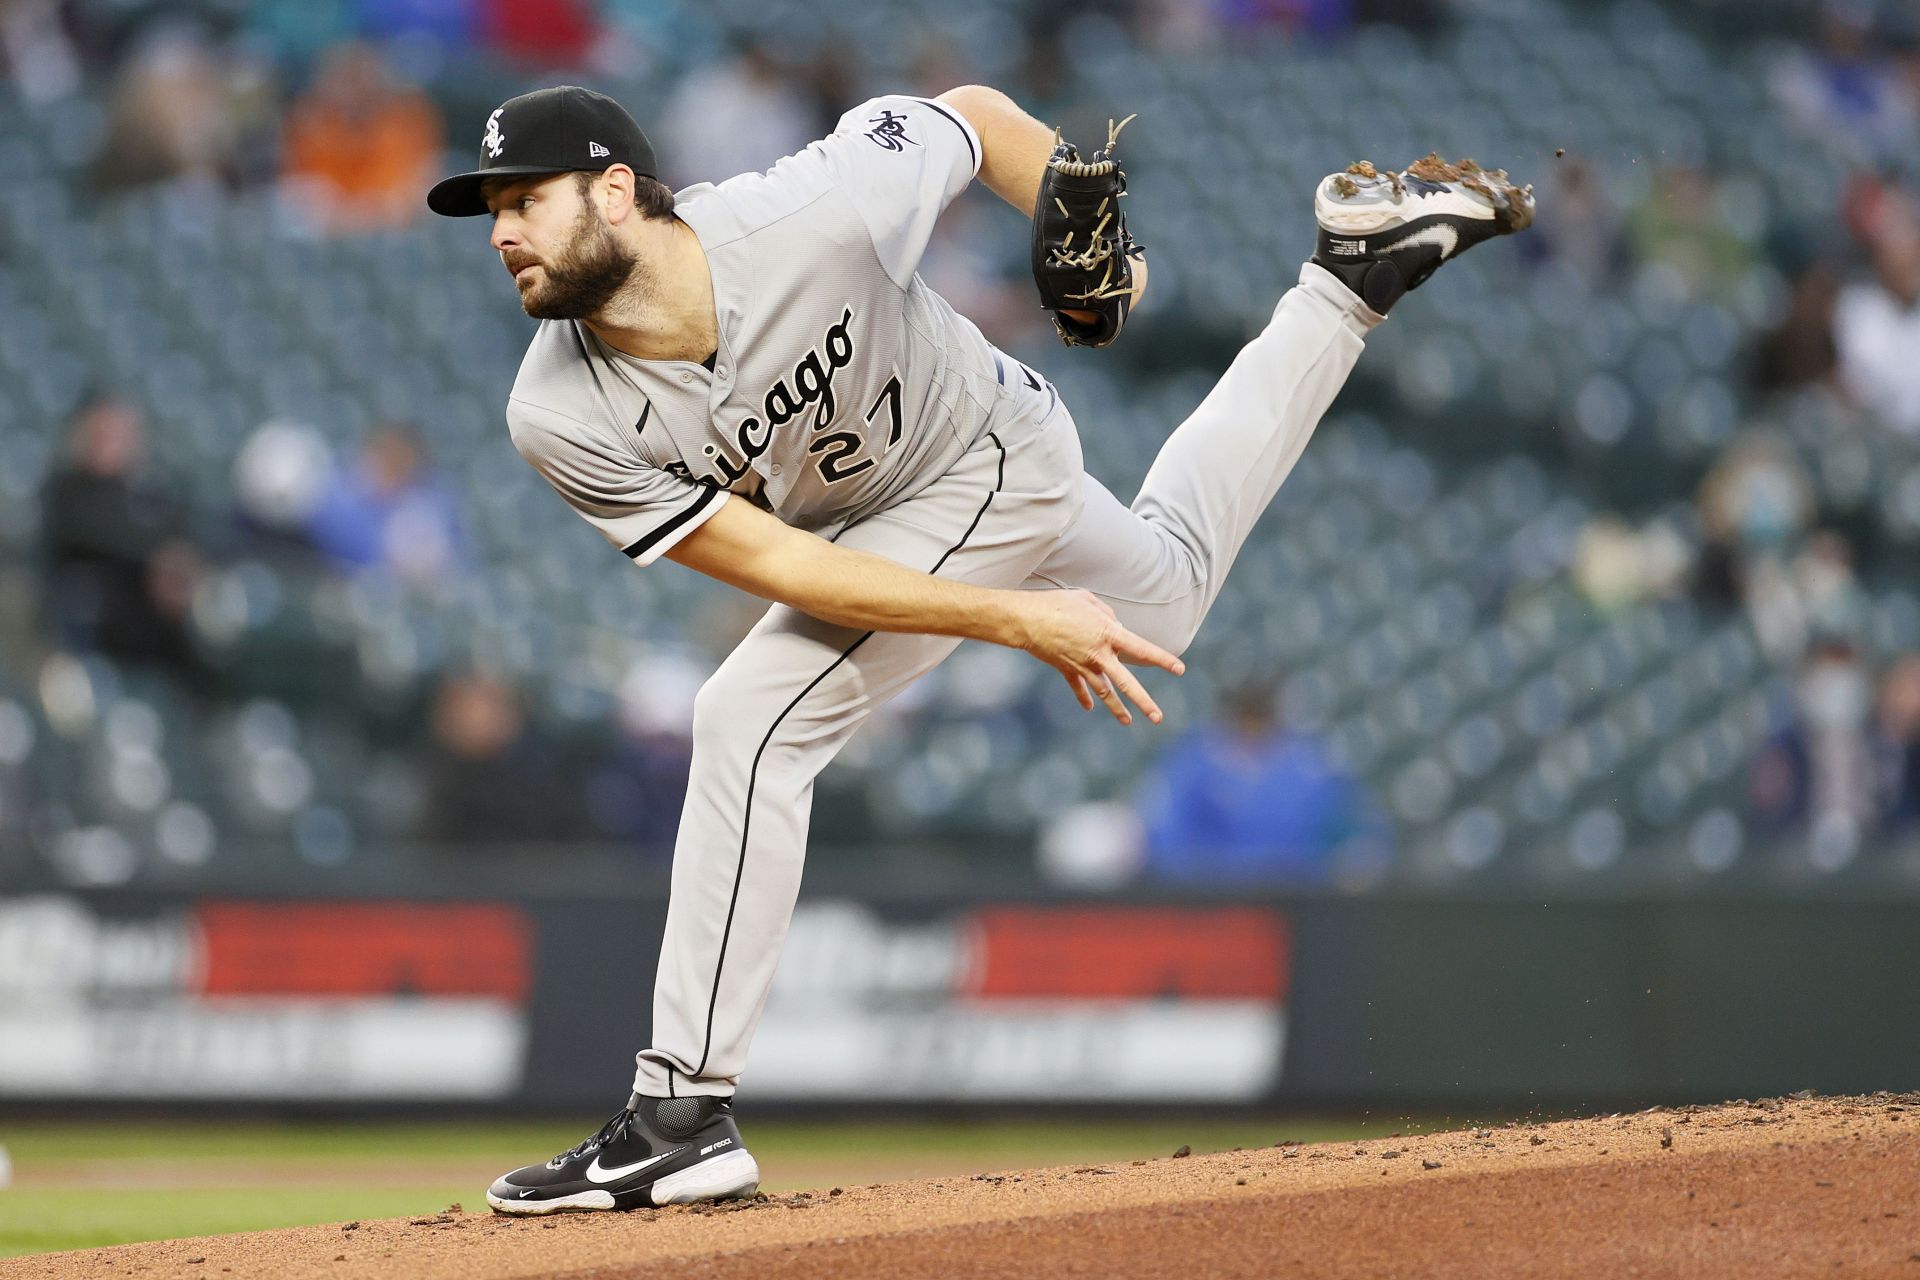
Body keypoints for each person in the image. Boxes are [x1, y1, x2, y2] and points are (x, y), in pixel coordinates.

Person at [426, 83, 1531, 1213]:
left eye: (527, 196)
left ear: (617, 188)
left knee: (751, 715)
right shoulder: (557, 412)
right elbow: (785, 569)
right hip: (878, 521)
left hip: (983, 453)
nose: (503, 227)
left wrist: (1081, 223)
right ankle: (1348, 285)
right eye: (492, 207)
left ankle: (680, 1114)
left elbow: (965, 117)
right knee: (1170, 594)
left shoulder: (805, 211)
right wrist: (1016, 618)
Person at [1137, 677, 1380, 885]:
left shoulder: (1309, 768)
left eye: (1259, 716)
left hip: (1294, 901)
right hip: (1214, 901)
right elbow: (1168, 843)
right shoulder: (1194, 766)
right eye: (1246, 716)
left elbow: (1351, 830)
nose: (1252, 726)